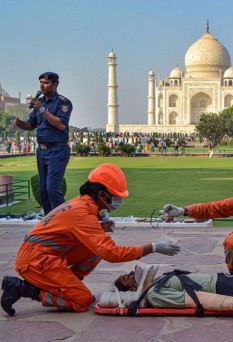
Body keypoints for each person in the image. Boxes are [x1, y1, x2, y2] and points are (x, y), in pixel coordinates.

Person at [0, 163, 180, 316]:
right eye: (116, 196)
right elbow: (112, 254)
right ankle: (21, 288)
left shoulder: (82, 204)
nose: (118, 201)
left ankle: (67, 282)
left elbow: (71, 234)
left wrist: (100, 228)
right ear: (102, 195)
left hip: (43, 254)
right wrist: (153, 247)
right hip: (36, 261)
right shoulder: (83, 213)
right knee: (82, 300)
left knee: (95, 249)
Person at [13, 72, 72, 215]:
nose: (42, 85)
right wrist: (20, 123)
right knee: (44, 191)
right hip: (42, 151)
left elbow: (61, 125)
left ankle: (65, 220)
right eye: (41, 82)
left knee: (53, 188)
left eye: (46, 83)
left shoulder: (63, 102)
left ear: (55, 84)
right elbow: (31, 125)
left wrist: (41, 109)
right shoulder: (40, 101)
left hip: (57, 150)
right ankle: (49, 222)